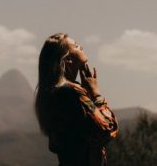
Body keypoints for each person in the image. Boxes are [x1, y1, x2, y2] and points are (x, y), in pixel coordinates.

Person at [34, 33, 119, 166]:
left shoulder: (56, 92)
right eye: (76, 46)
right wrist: (96, 95)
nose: (82, 47)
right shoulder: (70, 93)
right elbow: (107, 129)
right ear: (68, 59)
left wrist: (87, 93)